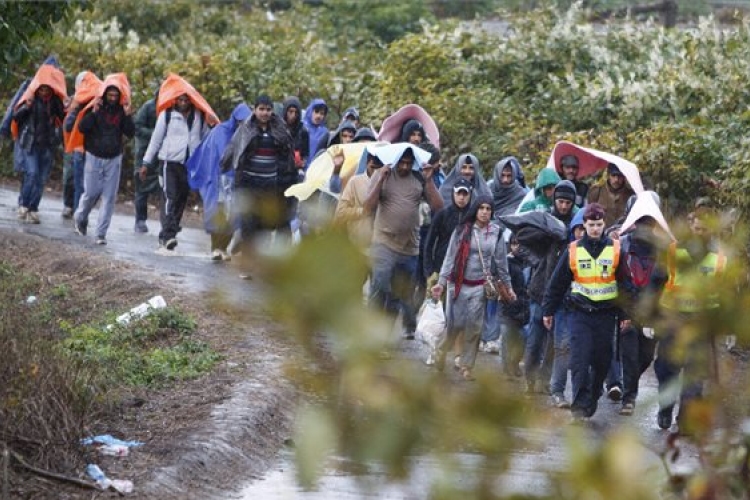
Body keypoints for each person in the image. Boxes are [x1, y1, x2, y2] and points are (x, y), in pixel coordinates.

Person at [542, 203, 630, 421]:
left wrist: (627, 314)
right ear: (584, 225)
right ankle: (579, 408)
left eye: (599, 225)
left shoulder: (616, 249)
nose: (595, 229)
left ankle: (593, 393)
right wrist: (548, 310)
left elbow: (625, 285)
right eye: (591, 225)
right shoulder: (573, 250)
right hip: (580, 313)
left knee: (602, 360)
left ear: (604, 224)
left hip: (606, 315)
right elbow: (557, 283)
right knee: (580, 361)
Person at [654, 208, 727, 433]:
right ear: (690, 226)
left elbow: (725, 294)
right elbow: (655, 284)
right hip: (673, 320)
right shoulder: (674, 252)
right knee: (667, 368)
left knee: (695, 373)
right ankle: (665, 407)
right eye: (696, 229)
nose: (700, 234)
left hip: (700, 323)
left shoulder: (720, 259)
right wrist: (650, 319)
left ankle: (685, 420)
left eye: (705, 230)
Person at [431, 196, 515, 380]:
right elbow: (450, 257)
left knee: (474, 328)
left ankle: (467, 366)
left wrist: (508, 287)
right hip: (458, 285)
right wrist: (441, 283)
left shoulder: (496, 232)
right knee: (455, 325)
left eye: (488, 209)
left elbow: (501, 263)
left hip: (479, 286)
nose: (485, 212)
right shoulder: (462, 230)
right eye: (481, 208)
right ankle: (441, 349)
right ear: (476, 210)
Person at [364, 145, 443, 340]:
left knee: (397, 296)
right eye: (402, 162)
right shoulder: (384, 174)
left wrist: (429, 180)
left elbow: (438, 207)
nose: (405, 167)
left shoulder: (418, 178)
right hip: (384, 243)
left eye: (409, 163)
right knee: (380, 287)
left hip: (409, 248)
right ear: (396, 159)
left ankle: (382, 338)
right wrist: (381, 177)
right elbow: (367, 207)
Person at [220, 94, 297, 267]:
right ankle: (247, 263)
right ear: (254, 110)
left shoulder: (279, 129)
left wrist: (287, 178)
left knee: (264, 225)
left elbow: (287, 153)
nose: (264, 113)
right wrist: (225, 165)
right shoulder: (245, 128)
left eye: (268, 109)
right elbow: (234, 147)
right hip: (248, 182)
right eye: (261, 109)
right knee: (248, 224)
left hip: (270, 184)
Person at [615, 194, 670, 416]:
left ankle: (628, 382)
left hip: (652, 312)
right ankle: (629, 397)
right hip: (629, 307)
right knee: (628, 353)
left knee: (646, 356)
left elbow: (666, 280)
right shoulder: (622, 244)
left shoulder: (663, 249)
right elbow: (616, 275)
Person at [523, 180, 578, 395]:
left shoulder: (576, 225)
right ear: (554, 200)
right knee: (535, 339)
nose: (563, 206)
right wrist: (539, 256)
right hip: (540, 290)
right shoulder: (545, 220)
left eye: (567, 202)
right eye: (560, 201)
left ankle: (546, 381)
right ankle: (529, 378)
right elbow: (522, 240)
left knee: (556, 343)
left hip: (563, 294)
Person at [142, 91, 209, 250]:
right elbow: (156, 140)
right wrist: (146, 162)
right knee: (169, 197)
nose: (183, 102)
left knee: (181, 200)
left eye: (186, 99)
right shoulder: (166, 115)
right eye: (180, 99)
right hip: (169, 162)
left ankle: (167, 234)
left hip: (189, 164)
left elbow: (206, 137)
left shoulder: (198, 115)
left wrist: (211, 124)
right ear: (175, 100)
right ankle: (168, 235)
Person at [73, 75, 135, 244]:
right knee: (91, 193)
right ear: (105, 94)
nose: (113, 99)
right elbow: (82, 127)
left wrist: (128, 115)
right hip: (94, 156)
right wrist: (93, 112)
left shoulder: (123, 112)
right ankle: (80, 217)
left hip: (114, 158)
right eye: (110, 95)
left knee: (109, 197)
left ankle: (101, 233)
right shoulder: (95, 107)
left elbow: (130, 132)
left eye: (116, 95)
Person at [187, 103, 252, 260]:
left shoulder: (249, 134)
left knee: (233, 214)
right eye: (239, 121)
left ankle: (223, 248)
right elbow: (209, 154)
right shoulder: (219, 132)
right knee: (218, 212)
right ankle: (216, 247)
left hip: (236, 180)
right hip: (218, 179)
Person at [12, 78, 66, 223]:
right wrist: (26, 107)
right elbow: (16, 117)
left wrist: (67, 105)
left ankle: (33, 208)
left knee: (41, 179)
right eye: (41, 89)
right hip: (31, 144)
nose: (44, 92)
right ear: (37, 89)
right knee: (32, 174)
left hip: (47, 145)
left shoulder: (55, 101)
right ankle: (24, 204)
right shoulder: (31, 99)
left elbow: (64, 117)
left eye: (47, 89)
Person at [63, 70, 101, 218]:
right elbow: (68, 125)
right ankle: (71, 206)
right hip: (75, 147)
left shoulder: (100, 103)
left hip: (92, 150)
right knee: (72, 179)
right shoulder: (76, 101)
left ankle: (80, 211)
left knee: (88, 185)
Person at [422, 178, 474, 282]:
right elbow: (429, 244)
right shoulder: (443, 214)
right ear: (453, 194)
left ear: (470, 195)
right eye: (458, 193)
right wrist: (429, 271)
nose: (461, 197)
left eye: (465, 194)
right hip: (441, 268)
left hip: (467, 270)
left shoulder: (473, 216)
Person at [333, 148, 384, 251]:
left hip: (384, 247)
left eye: (379, 169)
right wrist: (362, 211)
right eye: (373, 167)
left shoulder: (389, 182)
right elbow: (341, 212)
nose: (376, 172)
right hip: (359, 246)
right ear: (367, 163)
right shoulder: (355, 182)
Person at [500, 233, 530, 378]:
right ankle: (507, 369)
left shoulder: (530, 261)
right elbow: (502, 283)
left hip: (525, 306)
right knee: (507, 336)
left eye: (520, 243)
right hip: (509, 305)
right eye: (514, 243)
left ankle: (514, 362)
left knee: (524, 337)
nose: (517, 246)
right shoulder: (507, 262)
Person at [133, 90, 161, 233]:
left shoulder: (170, 110)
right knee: (141, 187)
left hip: (161, 155)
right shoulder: (148, 107)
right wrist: (156, 134)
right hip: (144, 152)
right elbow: (137, 127)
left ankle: (166, 222)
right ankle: (140, 220)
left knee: (164, 189)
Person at [587, 162, 635, 227]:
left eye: (620, 176)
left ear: (624, 177)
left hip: (622, 234)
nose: (616, 180)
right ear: (608, 175)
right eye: (613, 175)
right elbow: (588, 215)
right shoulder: (596, 191)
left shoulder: (631, 195)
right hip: (600, 233)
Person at [281, 96, 309, 177]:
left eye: (296, 112)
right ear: (285, 111)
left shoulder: (303, 131)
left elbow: (305, 154)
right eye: (290, 111)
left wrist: (302, 162)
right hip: (279, 171)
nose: (293, 115)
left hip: (295, 172)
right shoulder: (278, 128)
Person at [302, 98, 328, 169]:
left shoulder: (325, 132)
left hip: (316, 170)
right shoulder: (301, 127)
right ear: (310, 111)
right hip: (300, 169)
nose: (318, 116)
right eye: (316, 112)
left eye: (322, 113)